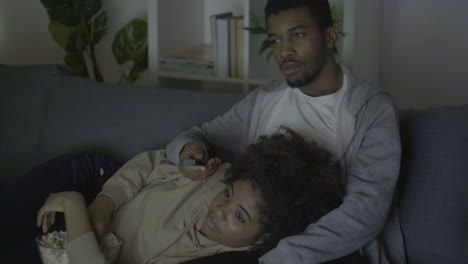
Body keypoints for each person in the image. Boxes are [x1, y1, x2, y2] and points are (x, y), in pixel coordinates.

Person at [165, 0, 405, 263]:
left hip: (331, 252)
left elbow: (366, 210)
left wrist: (282, 258)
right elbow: (194, 137)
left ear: (329, 36)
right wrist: (186, 155)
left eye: (298, 35)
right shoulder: (264, 100)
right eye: (275, 41)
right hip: (257, 246)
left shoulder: (370, 108)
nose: (285, 51)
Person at [21, 128, 341, 263]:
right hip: (94, 180)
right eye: (228, 194)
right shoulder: (209, 175)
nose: (220, 209)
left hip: (74, 239)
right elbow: (152, 162)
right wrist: (104, 202)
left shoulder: (224, 256)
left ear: (262, 238)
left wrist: (74, 204)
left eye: (239, 216)